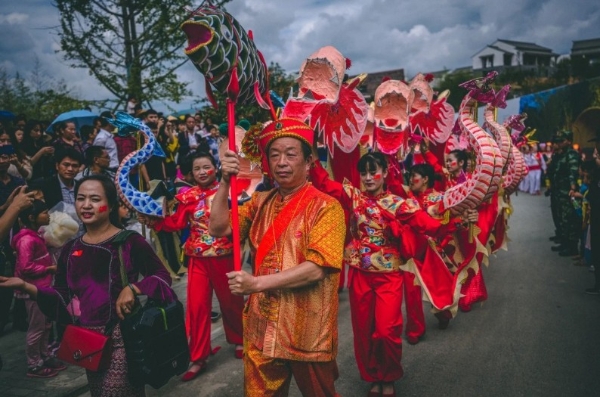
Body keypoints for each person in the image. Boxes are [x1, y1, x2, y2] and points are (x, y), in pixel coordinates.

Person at [310, 151, 475, 397]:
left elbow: (428, 226)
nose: (368, 177)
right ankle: (373, 376)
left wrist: (458, 221)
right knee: (364, 331)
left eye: (373, 171)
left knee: (387, 330)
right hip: (359, 275)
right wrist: (311, 156)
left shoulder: (399, 204)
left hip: (389, 277)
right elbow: (323, 183)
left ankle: (389, 375)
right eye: (363, 172)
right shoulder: (353, 197)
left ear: (385, 173)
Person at [0, 175, 176, 396]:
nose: (86, 205)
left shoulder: (129, 241)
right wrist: (26, 287)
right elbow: (61, 297)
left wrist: (133, 289)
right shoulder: (71, 248)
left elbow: (162, 277)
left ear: (111, 205)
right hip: (89, 345)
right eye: (81, 198)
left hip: (123, 339)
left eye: (94, 199)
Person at [210, 118, 346, 397]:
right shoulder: (260, 202)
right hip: (263, 323)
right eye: (275, 155)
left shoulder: (327, 207)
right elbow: (219, 228)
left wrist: (256, 284)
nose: (282, 161)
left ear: (309, 162)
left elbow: (317, 269)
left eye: (291, 154)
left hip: (306, 327)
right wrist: (224, 182)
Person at [139, 152, 244, 381]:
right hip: (197, 259)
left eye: (207, 167)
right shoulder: (187, 197)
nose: (202, 172)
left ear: (215, 169)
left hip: (225, 255)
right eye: (197, 168)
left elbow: (241, 220)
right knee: (196, 308)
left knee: (231, 302)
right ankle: (199, 356)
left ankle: (239, 339)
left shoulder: (229, 190)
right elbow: (175, 223)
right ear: (191, 173)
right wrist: (153, 220)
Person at [12, 200, 67, 377]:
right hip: (33, 291)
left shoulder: (37, 235)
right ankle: (34, 364)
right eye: (44, 212)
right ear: (31, 217)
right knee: (36, 328)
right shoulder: (26, 240)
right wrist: (49, 268)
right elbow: (25, 267)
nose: (48, 214)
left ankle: (45, 356)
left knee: (46, 325)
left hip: (44, 288)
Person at [549, 131, 581, 257]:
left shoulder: (571, 155)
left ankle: (572, 246)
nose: (558, 144)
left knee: (570, 219)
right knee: (563, 218)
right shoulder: (560, 155)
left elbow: (572, 173)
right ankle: (565, 242)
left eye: (560, 141)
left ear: (567, 142)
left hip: (568, 192)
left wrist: (573, 188)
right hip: (560, 191)